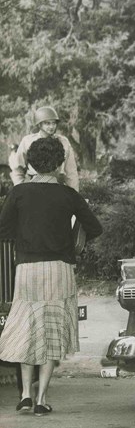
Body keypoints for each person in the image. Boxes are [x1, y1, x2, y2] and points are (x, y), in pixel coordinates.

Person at [0, 137, 103, 416]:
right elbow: (94, 227)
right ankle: (42, 399)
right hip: (60, 269)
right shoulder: (69, 195)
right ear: (59, 164)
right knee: (52, 330)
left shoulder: (19, 192)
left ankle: (24, 394)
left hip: (28, 269)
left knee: (27, 326)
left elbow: (4, 230)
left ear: (31, 163)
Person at [10, 106, 80, 192]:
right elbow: (18, 170)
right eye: (47, 123)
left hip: (57, 187)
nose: (51, 127)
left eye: (53, 123)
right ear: (39, 124)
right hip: (34, 186)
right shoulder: (27, 141)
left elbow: (71, 173)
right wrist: (20, 190)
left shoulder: (63, 142)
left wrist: (75, 196)